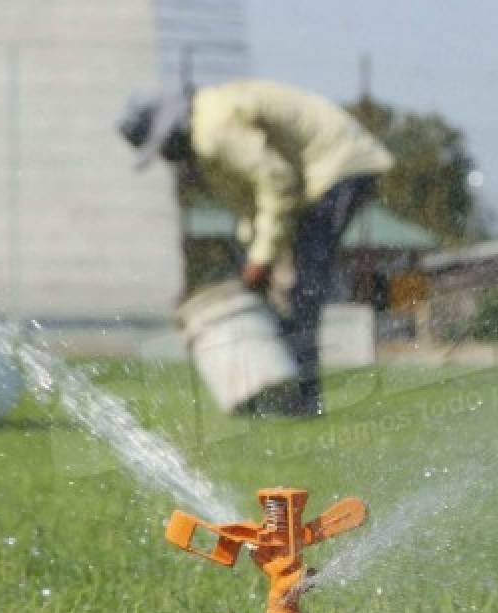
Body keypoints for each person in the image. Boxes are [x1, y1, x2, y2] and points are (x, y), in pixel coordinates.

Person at [118, 78, 392, 416]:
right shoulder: (208, 129)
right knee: (285, 288)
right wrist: (256, 258)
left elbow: (277, 182)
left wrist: (260, 260)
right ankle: (285, 388)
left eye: (161, 146)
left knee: (304, 288)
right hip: (313, 177)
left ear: (170, 126)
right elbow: (252, 206)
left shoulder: (215, 129)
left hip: (337, 166)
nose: (165, 157)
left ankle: (302, 398)